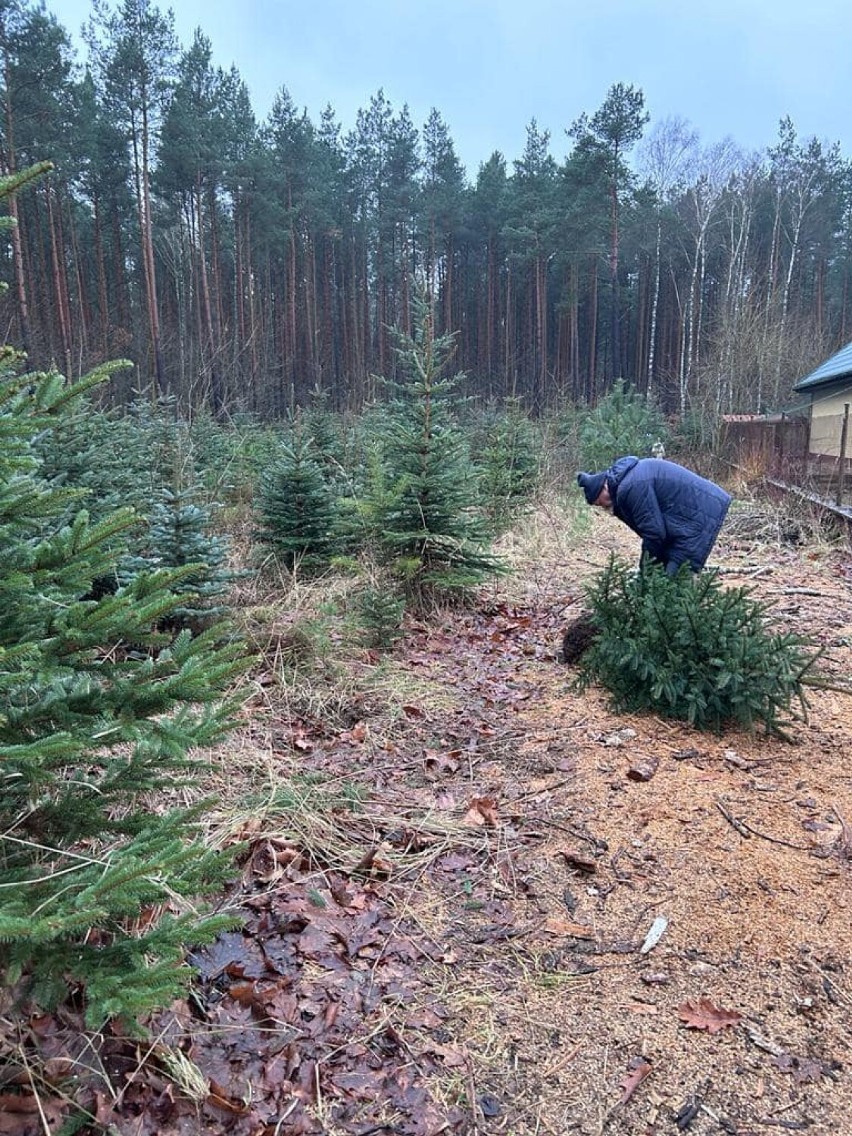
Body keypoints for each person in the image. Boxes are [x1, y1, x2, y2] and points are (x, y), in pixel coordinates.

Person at [577, 455, 731, 575]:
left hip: (698, 516)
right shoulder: (626, 484)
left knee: (676, 581)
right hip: (688, 517)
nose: (602, 506)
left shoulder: (631, 487)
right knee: (667, 575)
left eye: (598, 502)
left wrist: (646, 569)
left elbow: (654, 533)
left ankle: (688, 613)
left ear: (603, 488)